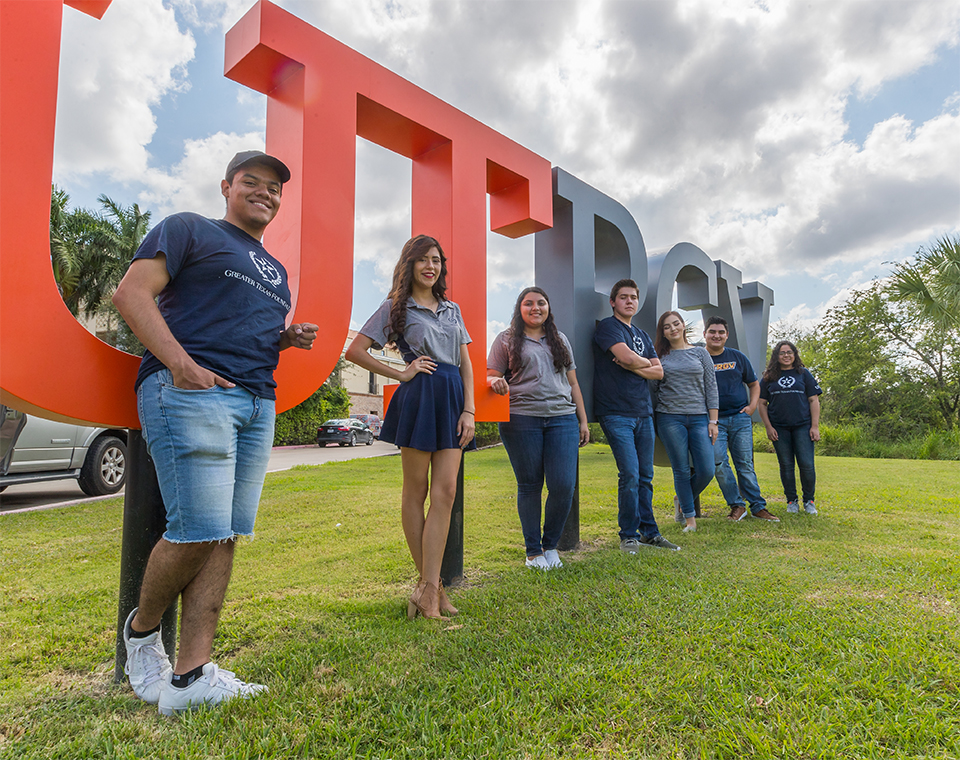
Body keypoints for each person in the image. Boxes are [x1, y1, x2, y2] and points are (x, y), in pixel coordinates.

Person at [112, 150, 318, 716]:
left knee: (225, 532)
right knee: (198, 530)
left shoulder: (273, 269)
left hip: (256, 402)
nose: (266, 193)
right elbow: (131, 293)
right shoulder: (188, 229)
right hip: (192, 392)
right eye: (252, 182)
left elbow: (235, 325)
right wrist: (180, 365)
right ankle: (141, 634)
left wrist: (284, 339)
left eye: (275, 187)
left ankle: (192, 675)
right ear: (226, 186)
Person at [345, 234, 475, 620]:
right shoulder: (394, 307)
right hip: (420, 397)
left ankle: (429, 588)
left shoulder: (452, 309)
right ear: (410, 265)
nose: (431, 266)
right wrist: (401, 373)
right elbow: (355, 351)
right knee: (416, 491)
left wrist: (469, 410)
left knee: (446, 492)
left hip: (452, 398)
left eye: (436, 260)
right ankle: (431, 589)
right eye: (423, 260)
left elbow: (466, 363)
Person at [487, 287, 590, 570]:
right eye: (528, 303)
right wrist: (494, 382)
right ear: (519, 309)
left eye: (541, 303)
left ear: (548, 308)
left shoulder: (560, 340)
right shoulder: (506, 339)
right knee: (530, 485)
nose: (535, 308)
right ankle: (533, 552)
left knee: (563, 485)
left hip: (562, 419)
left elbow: (573, 383)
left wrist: (582, 419)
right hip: (521, 419)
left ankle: (551, 545)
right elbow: (491, 374)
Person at [593, 279, 680, 553]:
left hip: (644, 412)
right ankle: (628, 535)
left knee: (645, 475)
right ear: (613, 302)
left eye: (633, 297)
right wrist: (639, 363)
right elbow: (629, 359)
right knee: (629, 474)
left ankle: (650, 533)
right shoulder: (607, 327)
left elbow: (659, 372)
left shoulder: (642, 335)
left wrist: (633, 364)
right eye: (623, 297)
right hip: (616, 411)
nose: (629, 301)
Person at [703, 317, 779, 522]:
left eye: (721, 332)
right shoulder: (699, 357)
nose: (716, 335)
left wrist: (752, 406)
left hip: (739, 419)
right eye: (712, 331)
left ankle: (758, 507)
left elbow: (754, 384)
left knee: (744, 463)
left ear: (726, 335)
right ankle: (737, 505)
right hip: (713, 421)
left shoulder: (737, 357)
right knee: (718, 462)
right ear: (705, 335)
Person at [651, 311, 718, 533]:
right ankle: (689, 519)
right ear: (663, 332)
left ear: (683, 326)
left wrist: (713, 420)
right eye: (667, 327)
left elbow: (711, 387)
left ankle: (681, 498)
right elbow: (653, 388)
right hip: (670, 418)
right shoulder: (660, 357)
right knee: (680, 469)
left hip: (700, 418)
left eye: (676, 324)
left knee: (707, 469)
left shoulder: (700, 353)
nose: (673, 329)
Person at [758, 341, 822, 515]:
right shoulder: (768, 377)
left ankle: (809, 500)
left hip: (803, 426)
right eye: (782, 353)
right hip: (779, 428)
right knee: (786, 465)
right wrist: (768, 427)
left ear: (795, 354)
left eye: (789, 352)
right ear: (776, 356)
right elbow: (762, 403)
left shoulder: (804, 374)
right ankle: (791, 500)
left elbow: (813, 400)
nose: (786, 355)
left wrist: (814, 426)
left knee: (807, 465)